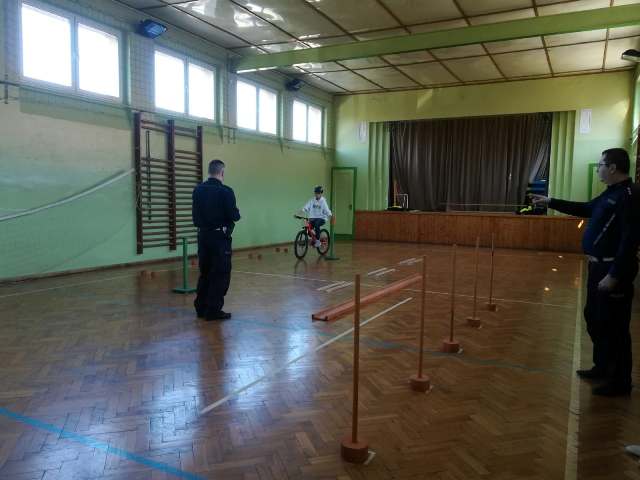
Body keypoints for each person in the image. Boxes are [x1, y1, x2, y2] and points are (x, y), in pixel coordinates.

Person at [531, 148, 640, 396]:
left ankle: (620, 381)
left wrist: (614, 274)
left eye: (601, 164)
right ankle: (602, 366)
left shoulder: (629, 196)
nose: (598, 168)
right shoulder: (610, 193)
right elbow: (585, 208)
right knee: (595, 317)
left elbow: (630, 240)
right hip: (597, 266)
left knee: (615, 327)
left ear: (612, 168)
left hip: (612, 269)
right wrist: (550, 201)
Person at [192, 159, 240, 321]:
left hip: (203, 236)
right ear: (222, 172)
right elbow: (234, 215)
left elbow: (195, 215)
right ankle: (213, 310)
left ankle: (201, 307)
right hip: (219, 238)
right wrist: (235, 212)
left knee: (205, 272)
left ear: (209, 171)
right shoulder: (226, 191)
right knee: (220, 274)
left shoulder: (198, 190)